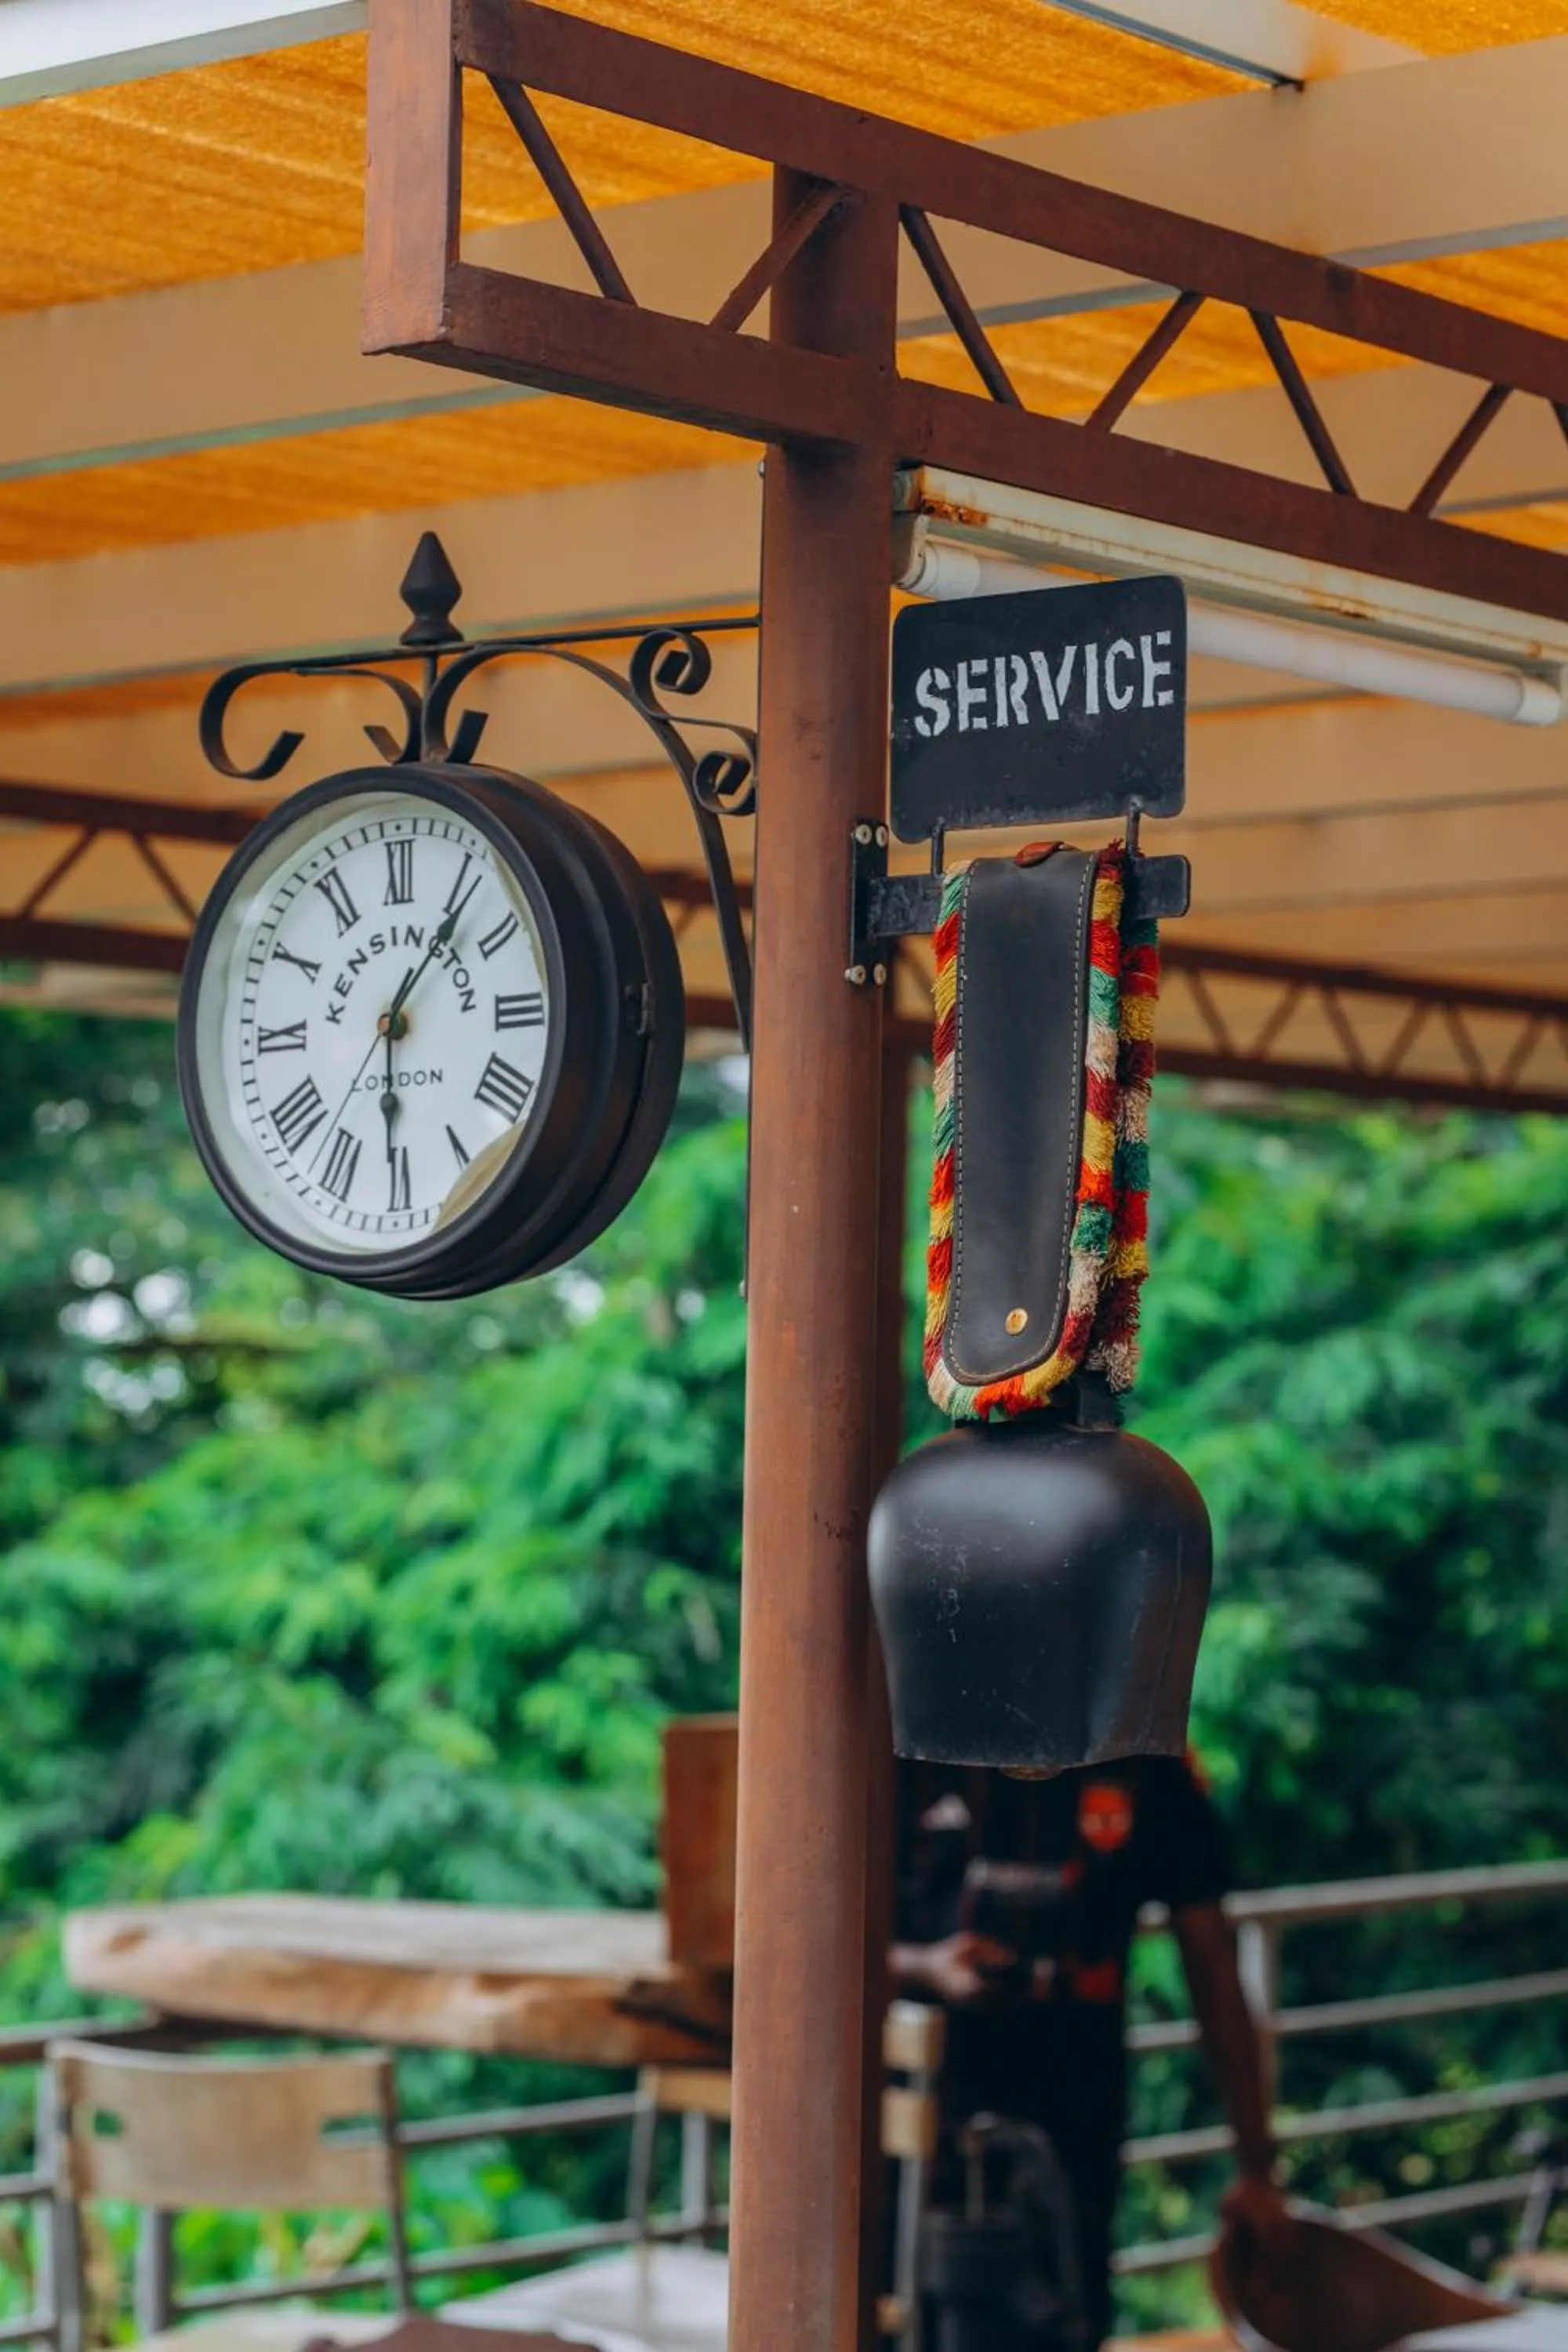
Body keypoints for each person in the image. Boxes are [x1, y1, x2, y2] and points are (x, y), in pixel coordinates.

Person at [892, 1751, 1291, 2350]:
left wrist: (1257, 2166)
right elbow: (814, 1936)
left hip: (1076, 2134)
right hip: (919, 2142)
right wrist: (926, 1967)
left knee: (1068, 2325)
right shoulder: (907, 1745)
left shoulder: (1144, 1759)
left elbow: (1214, 1970)